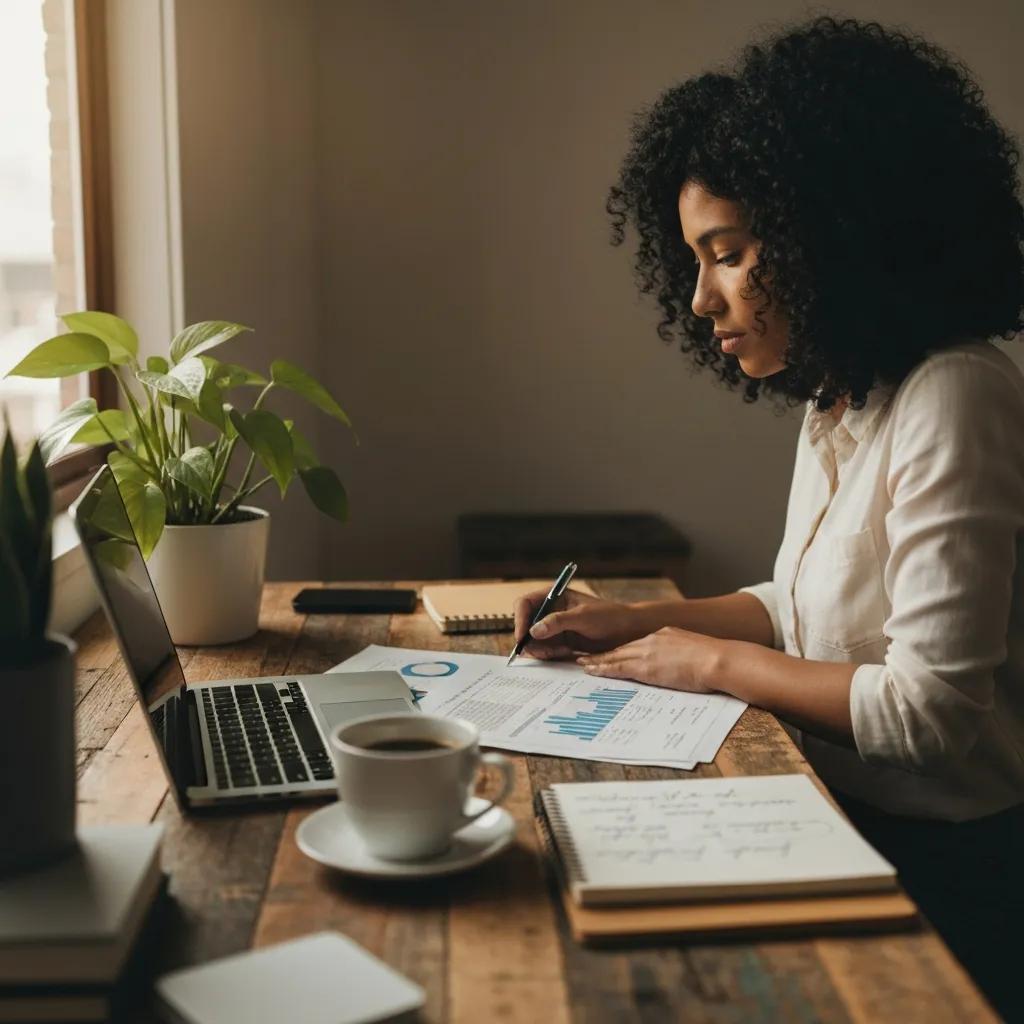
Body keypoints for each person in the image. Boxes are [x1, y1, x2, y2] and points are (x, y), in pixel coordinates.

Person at [513, 16, 1024, 1019]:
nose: (702, 298)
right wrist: (631, 621)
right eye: (694, 260)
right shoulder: (838, 392)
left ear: (834, 233)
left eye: (731, 252)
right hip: (840, 816)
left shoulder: (958, 395)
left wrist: (702, 662)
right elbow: (802, 609)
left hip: (955, 876)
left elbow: (926, 715)